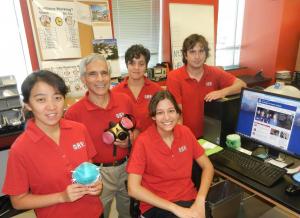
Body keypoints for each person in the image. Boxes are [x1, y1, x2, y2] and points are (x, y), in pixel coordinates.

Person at [2, 70, 103, 218]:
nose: (52, 106)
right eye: (41, 100)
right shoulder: (20, 149)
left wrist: (97, 183)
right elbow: (18, 201)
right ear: (28, 104)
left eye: (57, 97)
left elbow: (89, 165)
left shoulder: (79, 129)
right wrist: (61, 197)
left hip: (94, 212)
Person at [64, 53, 134, 218]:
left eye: (104, 73)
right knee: (98, 213)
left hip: (127, 167)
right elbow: (72, 153)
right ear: (83, 79)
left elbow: (135, 130)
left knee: (130, 211)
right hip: (96, 174)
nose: (100, 79)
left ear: (110, 75)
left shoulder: (125, 101)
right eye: (92, 74)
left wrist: (130, 140)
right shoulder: (73, 114)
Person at [127, 90, 214, 218]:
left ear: (178, 113)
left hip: (189, 199)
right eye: (160, 112)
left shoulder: (185, 132)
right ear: (153, 116)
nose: (167, 117)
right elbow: (133, 188)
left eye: (171, 111)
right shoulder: (143, 142)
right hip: (156, 205)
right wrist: (175, 209)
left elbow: (208, 167)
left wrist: (200, 200)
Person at [167, 34, 246, 139]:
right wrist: (182, 140)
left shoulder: (214, 72)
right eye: (192, 52)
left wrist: (222, 92)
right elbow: (177, 115)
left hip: (212, 136)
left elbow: (242, 85)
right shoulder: (174, 77)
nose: (197, 56)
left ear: (206, 54)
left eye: (201, 51)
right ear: (185, 55)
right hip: (187, 136)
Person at [112, 44, 162, 132]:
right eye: (132, 63)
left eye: (141, 64)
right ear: (127, 65)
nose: (136, 68)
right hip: (126, 143)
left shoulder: (157, 91)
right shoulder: (115, 92)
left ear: (146, 66)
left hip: (151, 141)